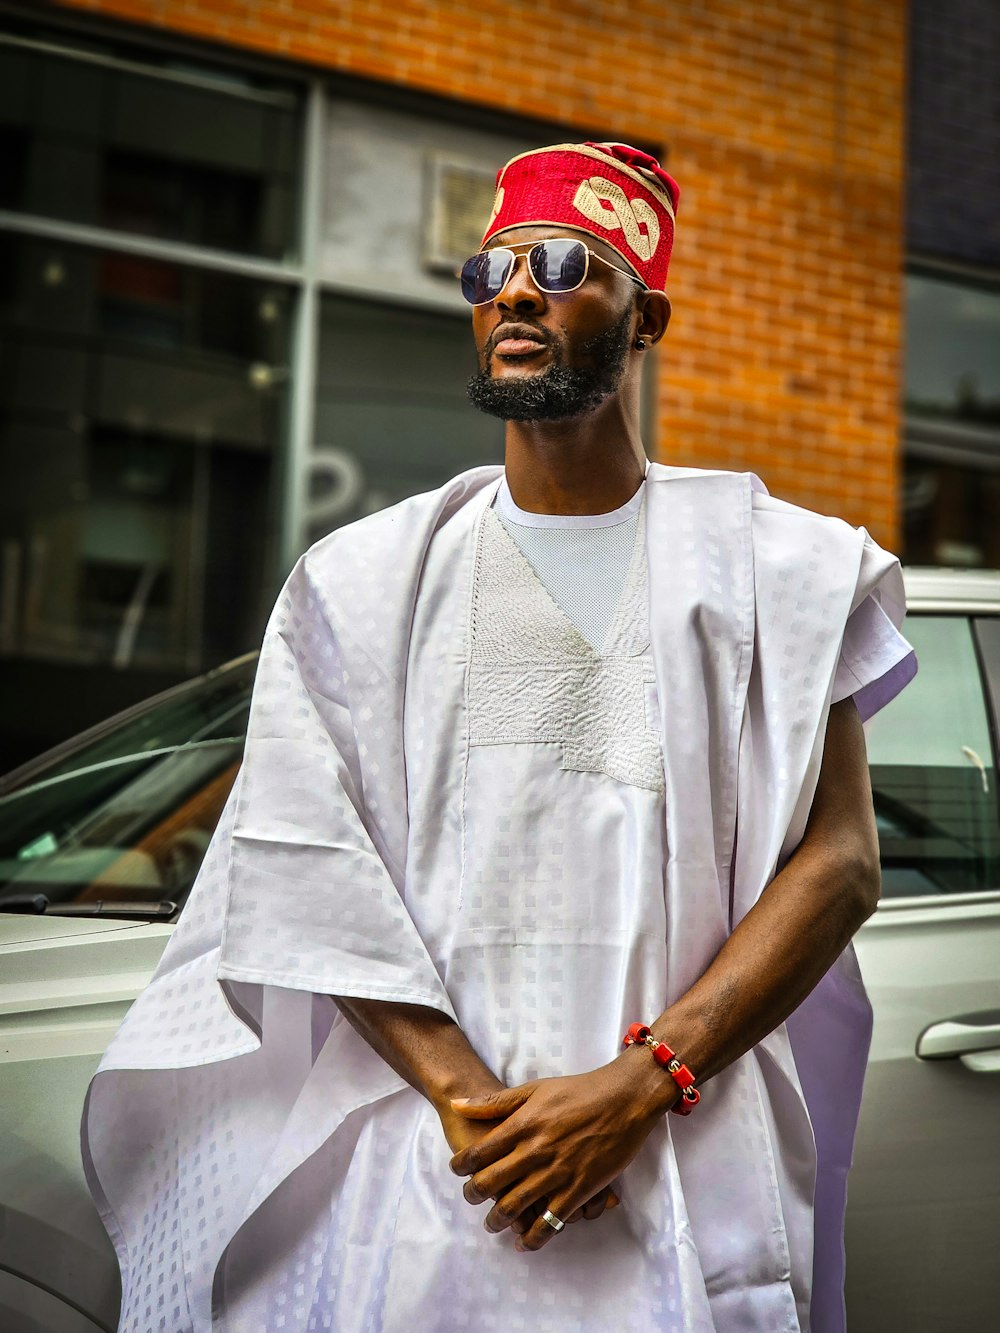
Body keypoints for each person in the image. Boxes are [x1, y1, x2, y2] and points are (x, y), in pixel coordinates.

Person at [83, 142, 916, 1333]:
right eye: (492, 271)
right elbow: (306, 862)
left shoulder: (778, 567)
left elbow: (841, 862)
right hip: (436, 1172)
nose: (515, 292)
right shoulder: (358, 582)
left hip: (683, 1151)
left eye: (566, 265)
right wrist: (478, 1110)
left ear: (647, 318)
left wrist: (637, 1087)